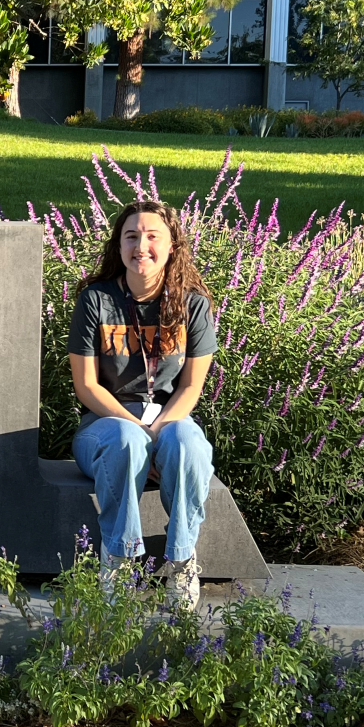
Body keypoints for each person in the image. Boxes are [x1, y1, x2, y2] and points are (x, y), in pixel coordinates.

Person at [67, 198, 218, 609]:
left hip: (171, 419)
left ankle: (182, 559)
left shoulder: (193, 306)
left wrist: (157, 433)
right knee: (125, 442)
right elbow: (87, 387)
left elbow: (190, 389)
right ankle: (119, 559)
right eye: (131, 236)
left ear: (172, 247)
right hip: (105, 426)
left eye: (153, 236)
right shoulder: (96, 302)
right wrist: (140, 433)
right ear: (118, 246)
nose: (141, 246)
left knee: (188, 444)